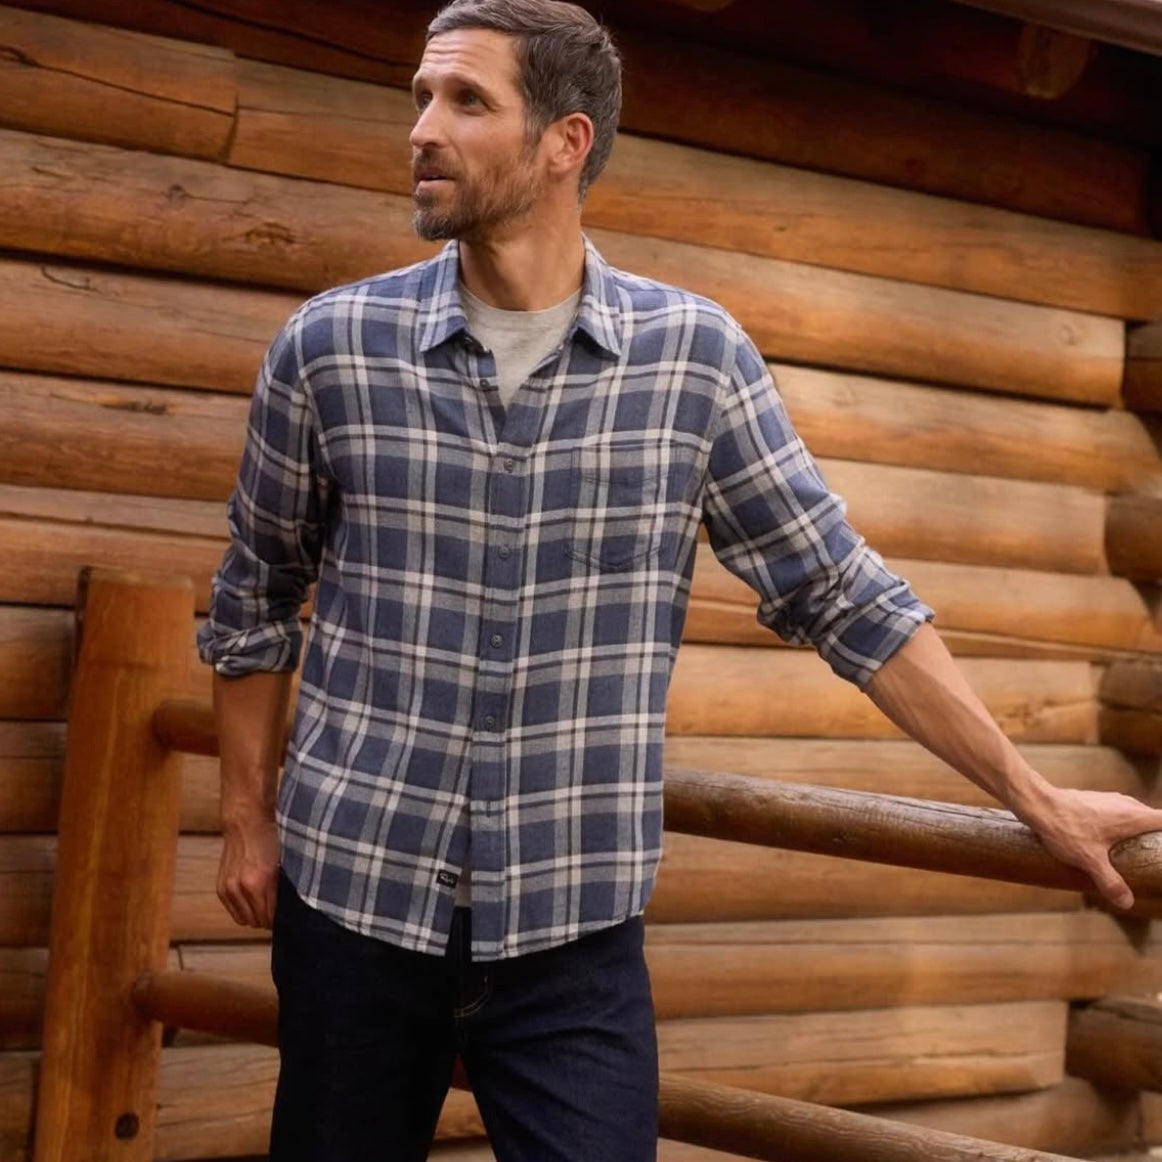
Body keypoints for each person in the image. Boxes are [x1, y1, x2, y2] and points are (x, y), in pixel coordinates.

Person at [197, 1, 1162, 1159]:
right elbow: (255, 598)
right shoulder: (329, 347)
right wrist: (247, 818)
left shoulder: (693, 361)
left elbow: (844, 595)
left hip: (571, 934)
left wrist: (1037, 801)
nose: (421, 129)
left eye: (464, 100)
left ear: (566, 143)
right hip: (352, 907)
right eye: (419, 97)